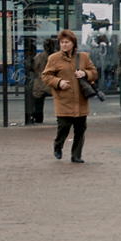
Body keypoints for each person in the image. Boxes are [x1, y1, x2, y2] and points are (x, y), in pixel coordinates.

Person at [41, 28, 98, 163]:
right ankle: (58, 145)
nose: (64, 45)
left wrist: (85, 73)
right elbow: (46, 76)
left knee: (80, 129)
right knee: (64, 128)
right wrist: (58, 82)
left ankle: (76, 155)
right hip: (63, 100)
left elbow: (94, 72)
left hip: (80, 100)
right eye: (62, 42)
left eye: (67, 42)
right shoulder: (54, 58)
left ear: (73, 43)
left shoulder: (83, 57)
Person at [29, 37, 56, 124]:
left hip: (41, 83)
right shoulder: (57, 57)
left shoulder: (40, 56)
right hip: (53, 83)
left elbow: (34, 67)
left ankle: (38, 118)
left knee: (38, 102)